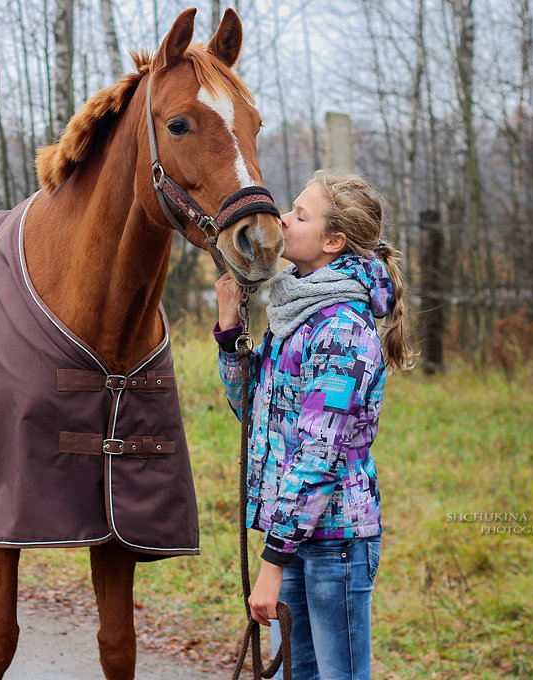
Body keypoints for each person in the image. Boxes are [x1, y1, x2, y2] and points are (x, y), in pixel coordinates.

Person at [213, 170, 416, 680]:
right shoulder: (296, 316)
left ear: (333, 241)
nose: (282, 220)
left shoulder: (339, 330)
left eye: (299, 215)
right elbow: (253, 414)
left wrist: (273, 561)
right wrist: (230, 334)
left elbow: (318, 454)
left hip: (334, 545)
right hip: (300, 536)